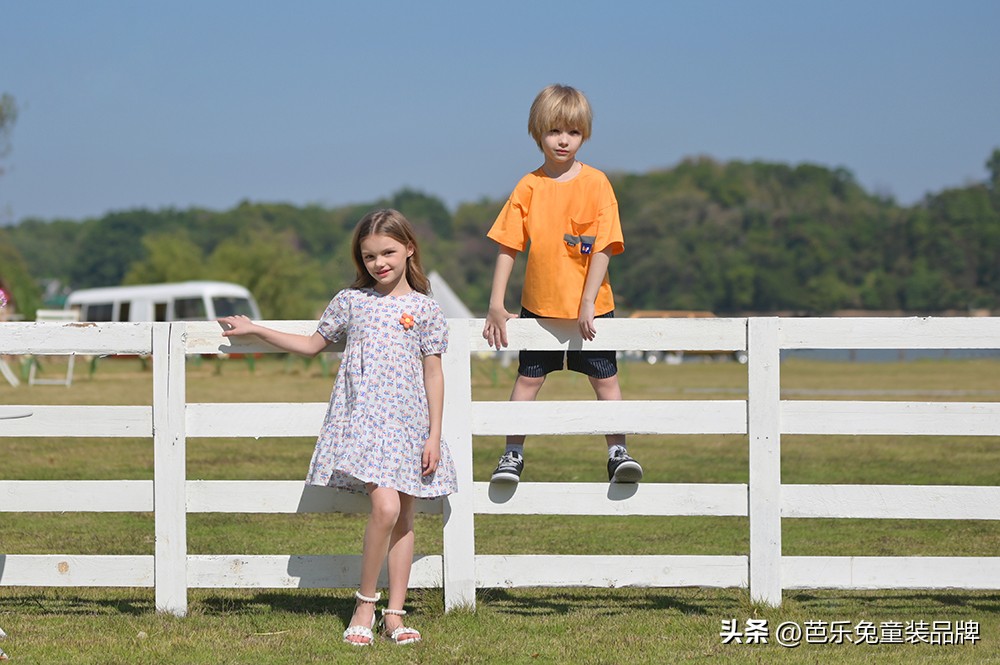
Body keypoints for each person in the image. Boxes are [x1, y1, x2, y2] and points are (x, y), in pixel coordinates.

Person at [219, 208, 457, 647]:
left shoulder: (425, 309)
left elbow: (434, 374)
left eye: (388, 252)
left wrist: (434, 434)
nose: (379, 263)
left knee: (405, 516)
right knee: (385, 509)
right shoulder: (351, 301)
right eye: (369, 256)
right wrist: (255, 330)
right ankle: (364, 604)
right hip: (363, 422)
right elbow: (312, 345)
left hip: (409, 426)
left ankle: (395, 614)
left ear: (409, 249)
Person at [482, 83, 642, 485]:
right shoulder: (528, 186)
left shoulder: (598, 184)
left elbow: (604, 246)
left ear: (584, 133)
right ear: (538, 132)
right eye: (554, 131)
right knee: (528, 380)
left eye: (572, 132)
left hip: (592, 308)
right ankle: (512, 454)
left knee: (606, 380)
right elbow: (508, 244)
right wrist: (496, 303)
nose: (563, 140)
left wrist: (587, 301)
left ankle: (617, 452)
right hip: (538, 307)